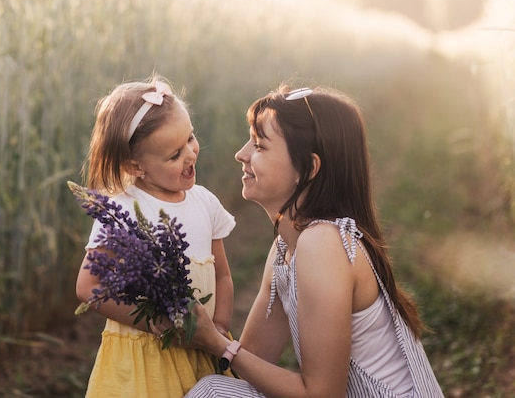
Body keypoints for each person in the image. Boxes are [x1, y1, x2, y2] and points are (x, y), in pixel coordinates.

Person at [182, 85, 444, 397]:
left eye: (260, 146)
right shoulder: (285, 247)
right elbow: (251, 360)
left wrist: (216, 342)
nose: (241, 154)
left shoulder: (323, 244)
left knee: (212, 392)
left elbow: (320, 395)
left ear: (308, 168)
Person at [75, 75, 236, 397]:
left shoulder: (205, 202)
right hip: (143, 360)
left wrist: (217, 330)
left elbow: (222, 276)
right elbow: (88, 287)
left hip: (201, 352)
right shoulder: (120, 210)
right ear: (136, 166)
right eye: (174, 155)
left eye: (190, 139)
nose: (190, 154)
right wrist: (152, 324)